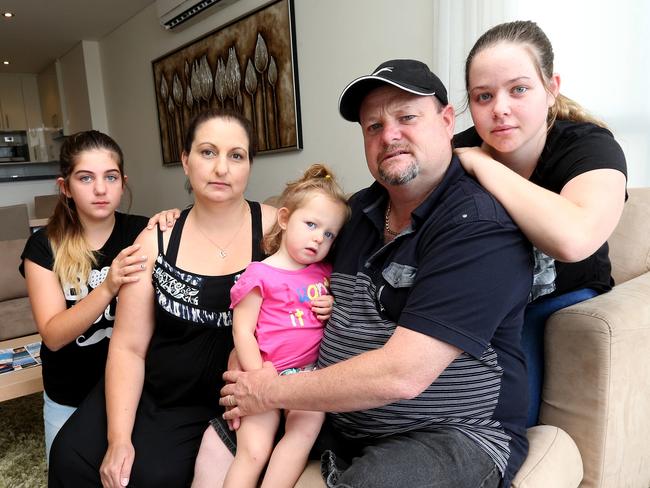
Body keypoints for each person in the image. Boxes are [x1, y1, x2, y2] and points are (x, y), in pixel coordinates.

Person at [220, 59, 533, 488]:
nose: (389, 136)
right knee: (215, 438)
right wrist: (250, 354)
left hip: (451, 433)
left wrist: (266, 391)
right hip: (335, 416)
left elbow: (402, 374)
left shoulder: (475, 226)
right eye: (373, 126)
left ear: (446, 122)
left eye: (406, 117)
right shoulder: (357, 212)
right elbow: (286, 265)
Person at [47, 108, 277, 488]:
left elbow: (319, 279)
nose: (221, 168)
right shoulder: (155, 239)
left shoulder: (275, 230)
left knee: (151, 477)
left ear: (250, 164)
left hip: (217, 403)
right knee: (70, 454)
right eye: (207, 152)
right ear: (185, 162)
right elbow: (128, 347)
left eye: (236, 155)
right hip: (152, 389)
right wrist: (118, 439)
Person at [453, 20, 627, 426]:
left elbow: (573, 238)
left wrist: (480, 163)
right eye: (483, 96)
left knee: (497, 419)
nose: (500, 108)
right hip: (481, 300)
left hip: (556, 296)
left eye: (519, 89)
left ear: (551, 89)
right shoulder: (456, 148)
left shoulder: (589, 145)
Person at [19, 130, 149, 462]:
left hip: (134, 395)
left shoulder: (144, 233)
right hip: (69, 396)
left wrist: (175, 221)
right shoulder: (43, 247)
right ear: (65, 187)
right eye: (86, 178)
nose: (101, 189)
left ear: (123, 181)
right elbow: (53, 335)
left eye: (110, 176)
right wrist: (108, 286)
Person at [222, 163, 349, 488]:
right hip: (264, 372)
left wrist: (332, 305)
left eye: (329, 233)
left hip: (307, 376)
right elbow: (242, 331)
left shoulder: (323, 273)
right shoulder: (259, 274)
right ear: (283, 218)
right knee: (253, 449)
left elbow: (338, 314)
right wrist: (258, 377)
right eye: (311, 224)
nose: (319, 238)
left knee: (304, 429)